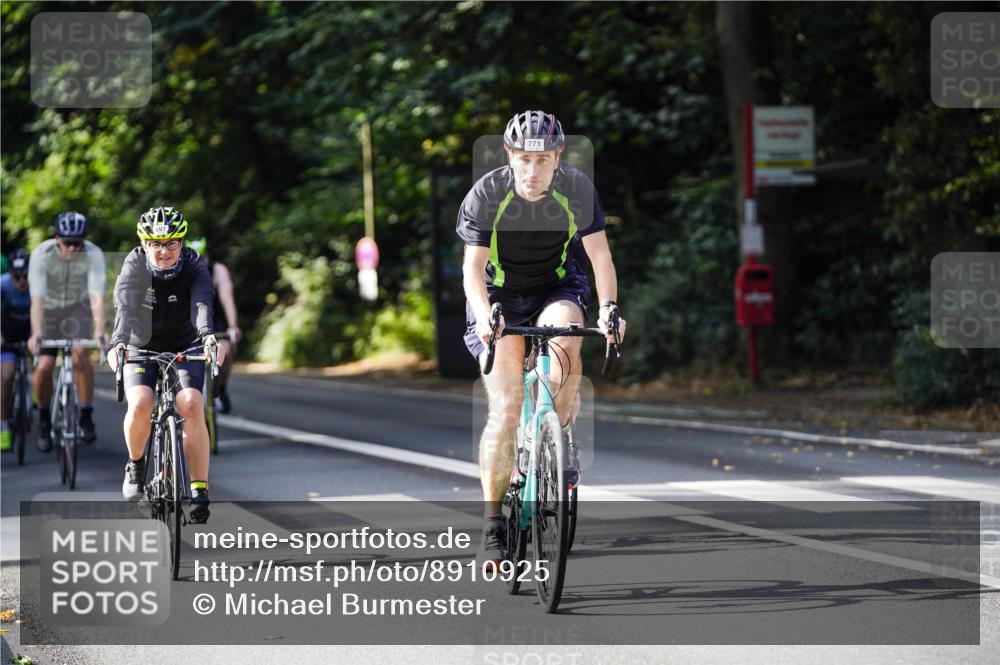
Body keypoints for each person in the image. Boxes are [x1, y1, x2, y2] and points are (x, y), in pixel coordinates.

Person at [457, 110, 627, 566]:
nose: (533, 171)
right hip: (497, 297)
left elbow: (601, 259)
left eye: (543, 160)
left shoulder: (576, 188)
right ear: (510, 156)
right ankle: (493, 526)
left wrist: (610, 311)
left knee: (569, 339)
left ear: (558, 159)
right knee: (506, 409)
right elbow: (472, 270)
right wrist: (483, 316)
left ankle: (559, 433)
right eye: (524, 159)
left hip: (556, 287)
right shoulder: (487, 194)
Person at [108, 207, 223, 523]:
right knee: (142, 402)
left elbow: (202, 302)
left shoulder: (193, 262)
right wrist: (118, 342)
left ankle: (199, 488)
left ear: (182, 241)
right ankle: (136, 463)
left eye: (172, 243)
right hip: (140, 344)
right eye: (156, 243)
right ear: (144, 243)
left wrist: (209, 337)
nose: (164, 251)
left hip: (185, 343)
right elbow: (125, 305)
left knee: (192, 404)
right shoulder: (134, 263)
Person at [28, 212, 107, 450]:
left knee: (80, 353)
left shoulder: (93, 254)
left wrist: (100, 333)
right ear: (56, 239)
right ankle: (43, 418)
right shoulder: (41, 255)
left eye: (77, 243)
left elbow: (97, 297)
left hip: (77, 308)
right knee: (43, 366)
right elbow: (37, 301)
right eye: (67, 243)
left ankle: (85, 415)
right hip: (49, 310)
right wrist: (37, 334)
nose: (72, 249)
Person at [188, 237, 242, 413]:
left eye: (202, 256)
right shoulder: (180, 270)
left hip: (214, 318)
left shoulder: (218, 270)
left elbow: (227, 299)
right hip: (188, 319)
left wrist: (232, 326)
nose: (199, 261)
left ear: (208, 256)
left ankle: (222, 388)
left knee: (224, 351)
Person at [1, 250, 32, 452]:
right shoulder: (2, 284)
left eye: (25, 276)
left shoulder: (38, 285)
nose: (22, 281)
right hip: (7, 335)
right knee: (7, 375)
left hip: (31, 333)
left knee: (42, 365)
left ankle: (38, 399)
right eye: (17, 277)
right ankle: (3, 425)